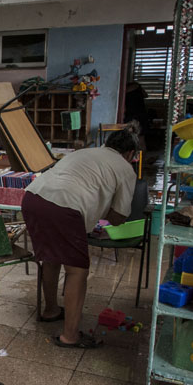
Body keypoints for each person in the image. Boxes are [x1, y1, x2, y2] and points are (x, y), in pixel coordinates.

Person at [21, 124, 140, 348]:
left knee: (51, 257)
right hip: (65, 209)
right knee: (77, 270)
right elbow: (118, 218)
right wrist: (104, 206)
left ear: (107, 144)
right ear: (130, 154)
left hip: (33, 198)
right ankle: (70, 336)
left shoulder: (85, 152)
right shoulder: (126, 170)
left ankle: (51, 310)